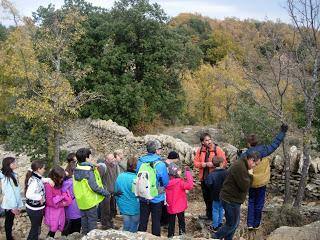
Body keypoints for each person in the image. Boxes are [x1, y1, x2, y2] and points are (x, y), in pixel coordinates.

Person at [243, 123, 288, 230]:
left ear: (249, 144)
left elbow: (240, 166)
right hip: (262, 182)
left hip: (251, 182)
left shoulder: (245, 155)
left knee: (251, 202)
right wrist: (282, 132)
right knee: (259, 203)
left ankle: (250, 224)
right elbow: (275, 143)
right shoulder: (265, 150)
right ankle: (256, 224)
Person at [212, 152, 261, 240]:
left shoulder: (242, 164)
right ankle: (215, 237)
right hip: (230, 199)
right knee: (231, 224)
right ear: (251, 160)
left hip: (232, 199)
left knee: (234, 223)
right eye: (255, 164)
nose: (255, 167)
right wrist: (250, 174)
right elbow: (245, 186)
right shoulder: (240, 167)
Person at [73, 148, 121, 234]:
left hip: (81, 201)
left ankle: (84, 236)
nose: (92, 158)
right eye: (90, 156)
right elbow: (94, 187)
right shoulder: (88, 171)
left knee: (84, 222)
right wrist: (106, 193)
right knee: (92, 224)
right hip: (90, 201)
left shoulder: (77, 168)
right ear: (86, 158)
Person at [136, 140, 169, 236]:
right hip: (156, 198)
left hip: (143, 196)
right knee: (156, 222)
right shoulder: (160, 164)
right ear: (156, 150)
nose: (160, 151)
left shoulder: (140, 162)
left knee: (143, 221)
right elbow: (165, 183)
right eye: (159, 149)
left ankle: (140, 237)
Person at [193, 132, 227, 220]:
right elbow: (195, 163)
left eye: (209, 139)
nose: (209, 141)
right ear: (202, 142)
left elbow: (224, 162)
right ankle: (209, 215)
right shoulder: (200, 150)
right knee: (206, 198)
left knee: (214, 199)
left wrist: (213, 164)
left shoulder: (217, 149)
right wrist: (202, 164)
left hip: (215, 179)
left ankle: (216, 218)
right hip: (203, 178)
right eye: (206, 140)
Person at [25, 160, 54, 240]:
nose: (44, 170)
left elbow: (42, 179)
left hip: (35, 208)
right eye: (43, 168)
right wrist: (40, 197)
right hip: (34, 209)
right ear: (38, 169)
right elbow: (28, 194)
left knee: (36, 227)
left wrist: (48, 180)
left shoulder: (36, 176)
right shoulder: (34, 181)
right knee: (35, 228)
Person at [165, 163, 193, 238]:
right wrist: (188, 173)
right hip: (180, 206)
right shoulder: (180, 182)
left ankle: (170, 236)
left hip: (170, 206)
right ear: (176, 172)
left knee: (171, 222)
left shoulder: (166, 182)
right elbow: (190, 186)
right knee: (181, 221)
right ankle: (182, 235)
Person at [44, 166, 72, 238]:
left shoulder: (59, 182)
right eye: (61, 178)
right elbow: (49, 202)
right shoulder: (48, 185)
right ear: (55, 177)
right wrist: (63, 204)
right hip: (53, 211)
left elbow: (66, 174)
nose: (62, 179)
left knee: (60, 226)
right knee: (53, 229)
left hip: (60, 210)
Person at [114, 156, 140, 232]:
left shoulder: (120, 176)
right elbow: (139, 194)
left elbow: (116, 192)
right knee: (134, 225)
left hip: (123, 205)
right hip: (135, 206)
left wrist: (119, 202)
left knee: (126, 224)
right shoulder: (137, 178)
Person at [0, 157, 23, 240]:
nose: (15, 164)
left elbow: (16, 191)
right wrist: (13, 207)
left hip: (13, 204)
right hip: (10, 204)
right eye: (13, 163)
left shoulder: (12, 174)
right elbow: (9, 193)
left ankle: (9, 236)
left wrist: (18, 205)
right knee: (9, 222)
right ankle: (8, 237)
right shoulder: (6, 177)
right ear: (8, 165)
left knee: (10, 221)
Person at [205, 156, 228, 232]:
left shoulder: (212, 174)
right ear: (221, 163)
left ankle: (215, 226)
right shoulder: (226, 172)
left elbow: (208, 183)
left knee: (215, 210)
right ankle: (220, 223)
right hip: (224, 195)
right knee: (221, 209)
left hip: (215, 195)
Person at [62, 159, 81, 236]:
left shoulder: (63, 183)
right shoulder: (74, 183)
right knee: (76, 231)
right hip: (76, 208)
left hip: (67, 209)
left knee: (67, 229)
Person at [161, 151, 180, 228]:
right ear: (174, 158)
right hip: (169, 187)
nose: (178, 160)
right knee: (168, 204)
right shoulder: (172, 166)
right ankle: (166, 222)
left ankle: (161, 222)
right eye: (177, 158)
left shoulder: (161, 163)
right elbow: (178, 175)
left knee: (162, 205)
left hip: (160, 186)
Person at [100, 153, 119, 229]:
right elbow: (99, 179)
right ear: (106, 160)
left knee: (112, 209)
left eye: (113, 158)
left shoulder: (114, 166)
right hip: (106, 191)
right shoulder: (103, 167)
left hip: (113, 191)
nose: (113, 160)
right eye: (111, 159)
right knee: (105, 210)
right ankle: (105, 225)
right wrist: (103, 189)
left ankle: (110, 224)